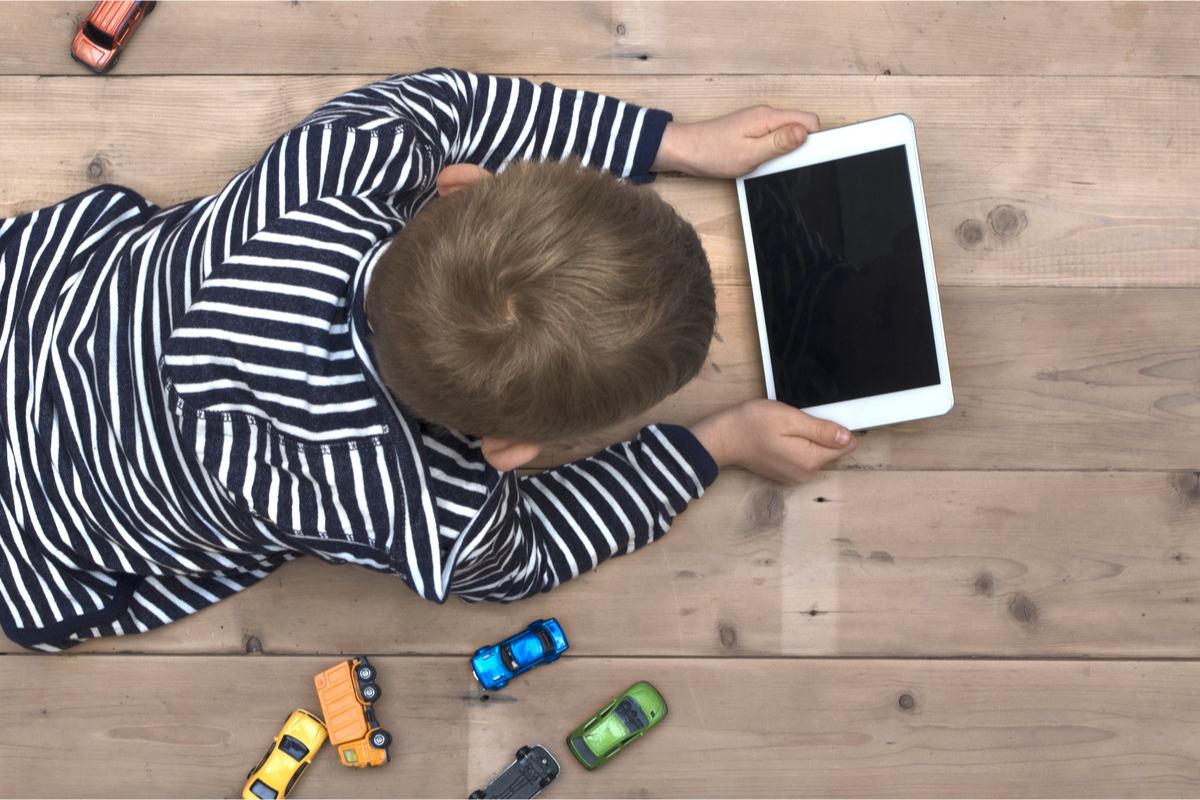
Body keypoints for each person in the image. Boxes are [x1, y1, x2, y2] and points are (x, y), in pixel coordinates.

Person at [0, 68, 856, 652]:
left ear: (460, 186)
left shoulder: (341, 161)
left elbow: (448, 100)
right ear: (513, 450)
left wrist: (673, 141)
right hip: (46, 527)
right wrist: (716, 446)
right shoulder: (430, 506)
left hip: (36, 303)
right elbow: (533, 551)